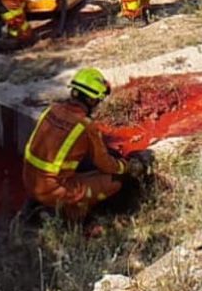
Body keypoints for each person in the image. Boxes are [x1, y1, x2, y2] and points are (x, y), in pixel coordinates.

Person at [23, 68, 152, 223]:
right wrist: (127, 167)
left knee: (82, 167)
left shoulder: (51, 110)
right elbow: (105, 164)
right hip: (55, 191)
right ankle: (72, 218)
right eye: (99, 100)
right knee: (115, 182)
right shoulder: (85, 126)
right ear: (91, 100)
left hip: (30, 182)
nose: (99, 104)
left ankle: (42, 205)